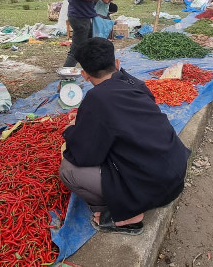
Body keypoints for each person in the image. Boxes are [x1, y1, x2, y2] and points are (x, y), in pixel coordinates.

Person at [59, 38, 190, 234]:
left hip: (152, 188)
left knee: (68, 170)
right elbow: (123, 117)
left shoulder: (96, 99)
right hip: (175, 176)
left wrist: (71, 129)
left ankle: (125, 215)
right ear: (117, 64)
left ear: (85, 75)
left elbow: (85, 155)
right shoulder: (134, 82)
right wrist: (87, 118)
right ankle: (130, 201)